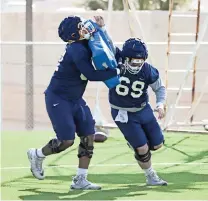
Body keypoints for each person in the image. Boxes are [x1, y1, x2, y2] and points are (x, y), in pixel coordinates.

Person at [27, 15, 122, 190]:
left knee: (88, 135)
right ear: (73, 35)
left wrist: (102, 27)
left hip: (75, 98)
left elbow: (109, 48)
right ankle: (38, 154)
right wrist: (116, 71)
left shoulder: (85, 42)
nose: (85, 28)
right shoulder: (76, 49)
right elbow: (92, 75)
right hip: (58, 98)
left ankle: (80, 179)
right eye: (80, 27)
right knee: (66, 140)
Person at [109, 38, 168, 186]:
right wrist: (102, 28)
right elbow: (107, 43)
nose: (137, 65)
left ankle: (136, 142)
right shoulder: (116, 62)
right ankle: (151, 176)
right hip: (123, 112)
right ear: (125, 58)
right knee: (142, 148)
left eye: (140, 61)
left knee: (157, 145)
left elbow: (160, 88)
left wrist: (160, 104)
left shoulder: (148, 70)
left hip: (143, 109)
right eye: (133, 61)